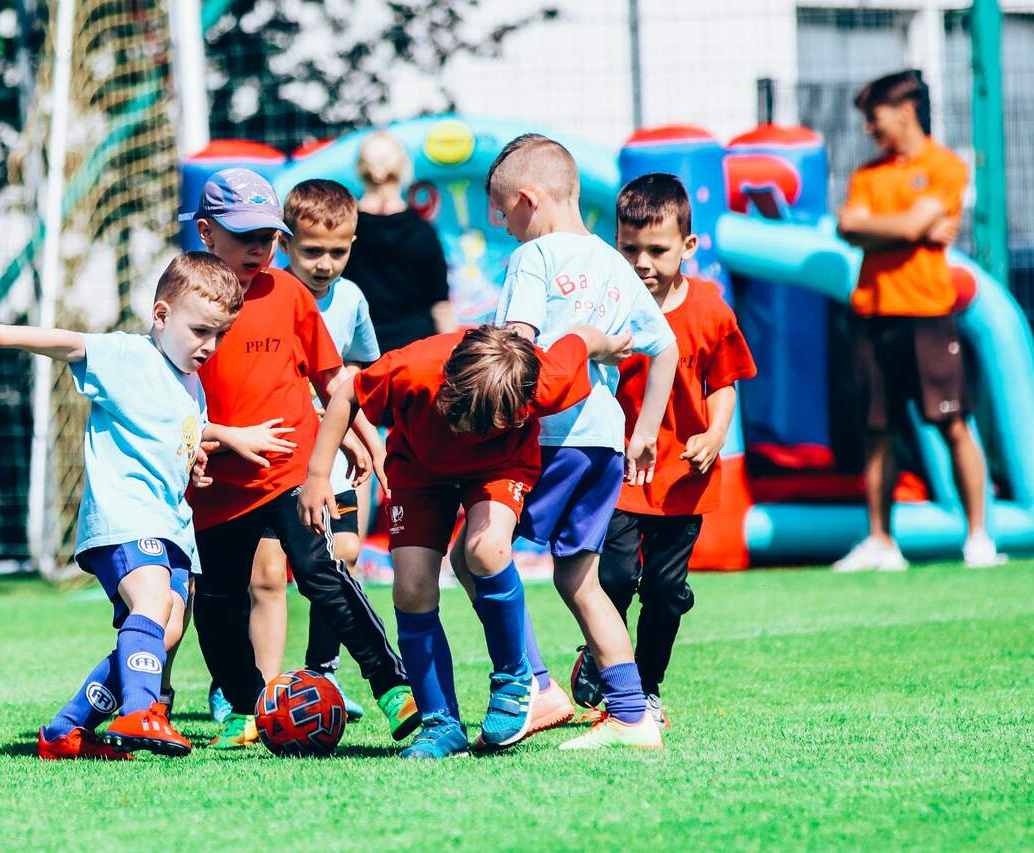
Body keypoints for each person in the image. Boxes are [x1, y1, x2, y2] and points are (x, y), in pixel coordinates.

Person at [0, 252, 251, 759]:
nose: (210, 345)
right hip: (126, 517)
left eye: (220, 335)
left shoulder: (192, 384)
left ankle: (66, 731)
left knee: (165, 631)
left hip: (171, 524)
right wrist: (6, 334)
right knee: (152, 604)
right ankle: (142, 710)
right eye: (201, 330)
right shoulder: (130, 356)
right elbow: (71, 344)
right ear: (161, 315)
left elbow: (178, 438)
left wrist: (195, 462)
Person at [299, 323, 627, 758]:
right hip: (418, 469)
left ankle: (515, 681)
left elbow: (582, 337)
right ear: (449, 392)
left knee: (486, 549)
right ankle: (440, 725)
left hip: (499, 468)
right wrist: (318, 474)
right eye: (468, 422)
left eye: (491, 425)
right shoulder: (411, 369)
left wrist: (612, 345)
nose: (471, 436)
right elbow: (346, 394)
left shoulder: (544, 376)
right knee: (411, 588)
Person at [182, 167, 418, 750]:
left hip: (293, 470)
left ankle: (393, 688)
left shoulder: (289, 294)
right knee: (217, 602)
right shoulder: (184, 300)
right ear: (207, 233)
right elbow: (167, 390)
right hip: (218, 486)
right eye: (244, 236)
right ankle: (243, 707)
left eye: (267, 237)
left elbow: (332, 378)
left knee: (321, 571)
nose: (259, 248)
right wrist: (196, 446)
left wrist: (364, 436)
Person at [482, 133, 679, 751]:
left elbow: (516, 344)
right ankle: (631, 715)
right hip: (604, 441)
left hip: (547, 438)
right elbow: (665, 345)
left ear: (528, 200)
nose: (502, 225)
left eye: (502, 212)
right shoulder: (613, 261)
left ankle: (536, 685)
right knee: (580, 581)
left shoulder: (533, 257)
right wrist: (644, 431)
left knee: (476, 551)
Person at [572, 173, 757, 730]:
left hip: (683, 476)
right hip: (619, 471)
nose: (642, 263)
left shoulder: (711, 310)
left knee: (665, 591)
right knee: (611, 576)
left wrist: (715, 435)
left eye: (657, 250)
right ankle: (603, 659)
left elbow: (724, 383)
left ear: (688, 246)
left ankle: (647, 690)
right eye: (630, 249)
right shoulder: (607, 306)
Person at [833, 69, 1004, 572]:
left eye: (875, 117)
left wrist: (880, 229)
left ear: (906, 111)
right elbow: (849, 225)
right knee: (877, 430)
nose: (869, 128)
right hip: (873, 315)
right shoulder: (867, 174)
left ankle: (978, 538)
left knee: (953, 424)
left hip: (928, 315)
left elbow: (884, 226)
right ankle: (881, 542)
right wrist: (911, 230)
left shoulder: (945, 165)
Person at [245, 178, 381, 724]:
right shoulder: (262, 293)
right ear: (285, 243)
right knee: (267, 572)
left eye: (338, 251)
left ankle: (322, 673)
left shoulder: (351, 299)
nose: (325, 264)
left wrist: (358, 429)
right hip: (276, 450)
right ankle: (254, 690)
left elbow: (358, 368)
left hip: (331, 455)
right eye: (312, 251)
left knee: (342, 553)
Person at [342, 131, 454, 353]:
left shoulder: (344, 229)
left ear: (359, 169)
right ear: (404, 168)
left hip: (360, 350)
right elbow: (441, 305)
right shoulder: (422, 231)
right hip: (416, 351)